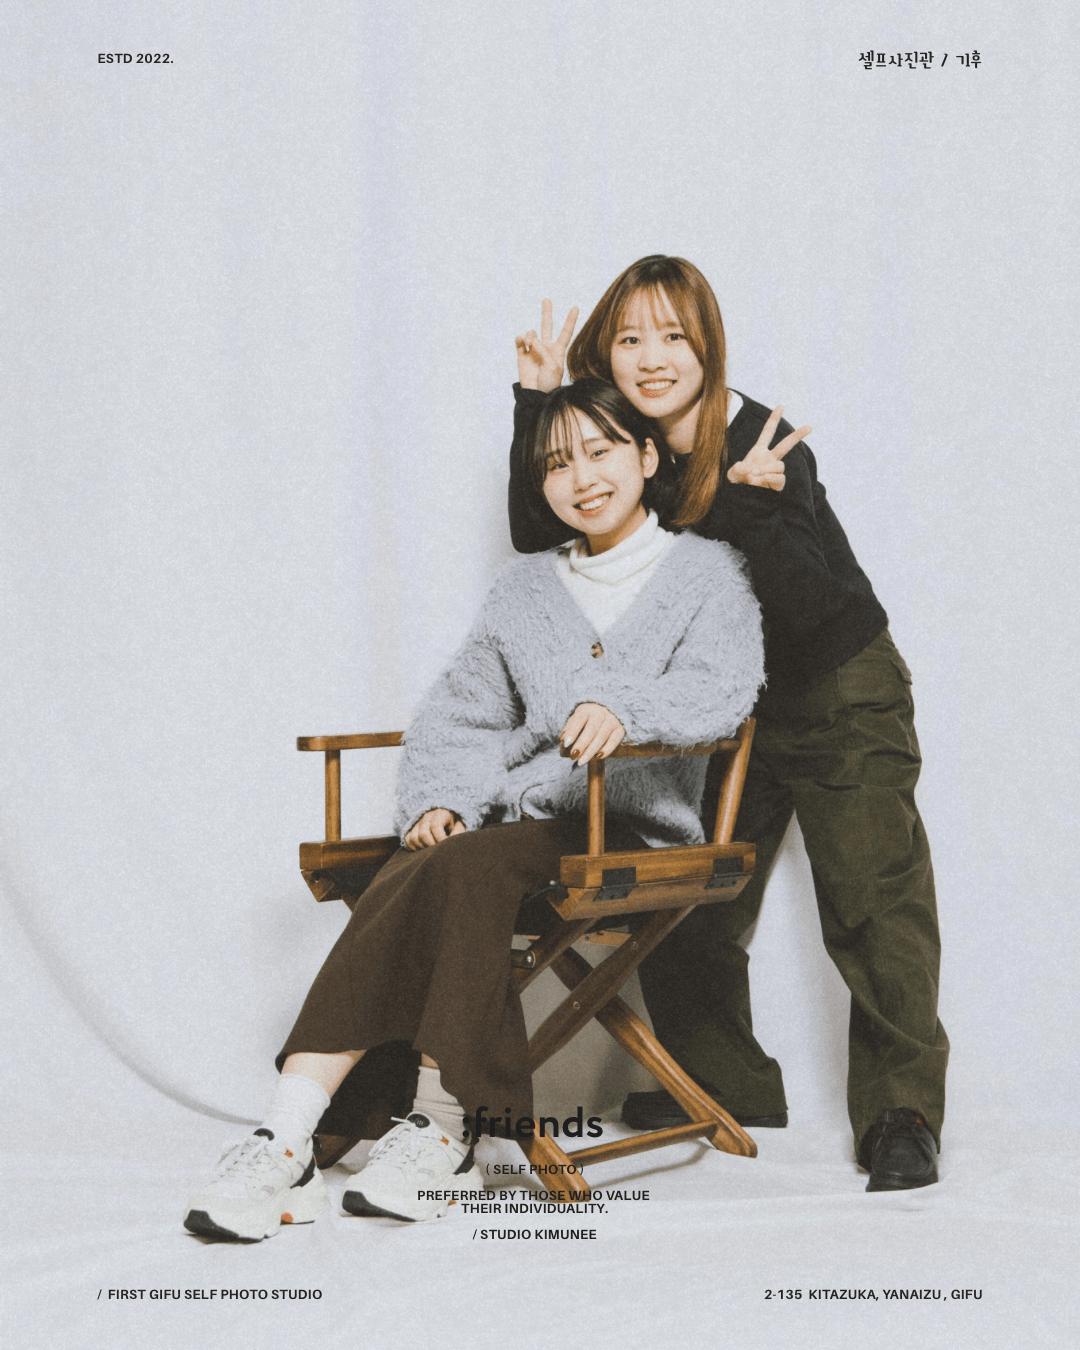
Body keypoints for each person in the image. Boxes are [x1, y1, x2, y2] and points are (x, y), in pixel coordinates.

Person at [182, 378, 764, 1240]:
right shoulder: (522, 591)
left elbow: (725, 690)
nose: (581, 478)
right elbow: (462, 712)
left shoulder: (709, 575)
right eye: (557, 464)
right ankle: (287, 1134)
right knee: (433, 856)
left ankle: (441, 1127)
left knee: (467, 866)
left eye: (600, 451)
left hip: (627, 825)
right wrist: (443, 796)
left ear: (647, 457)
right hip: (516, 829)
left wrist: (627, 707)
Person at [509, 256, 947, 1193]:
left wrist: (750, 504)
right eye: (631, 338)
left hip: (839, 688)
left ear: (708, 346)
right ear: (605, 354)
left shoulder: (763, 442)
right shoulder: (622, 439)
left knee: (874, 903)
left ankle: (901, 1114)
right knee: (683, 896)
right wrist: (534, 405)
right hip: (727, 705)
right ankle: (723, 1082)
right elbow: (539, 526)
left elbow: (807, 611)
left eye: (675, 336)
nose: (652, 358)